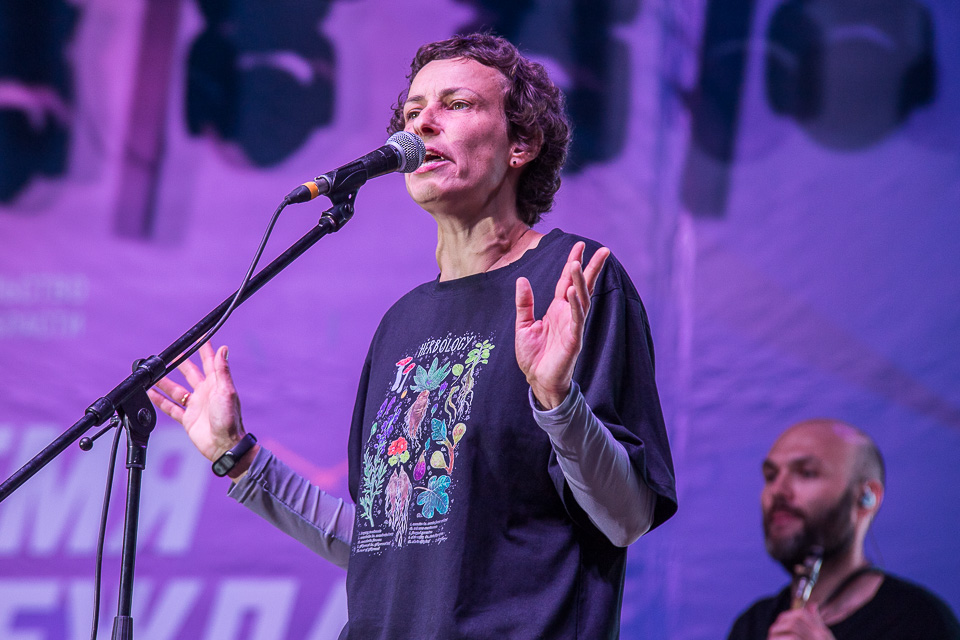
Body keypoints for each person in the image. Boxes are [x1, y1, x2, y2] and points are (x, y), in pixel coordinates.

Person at [148, 33, 677, 639]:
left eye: (457, 104)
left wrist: (558, 401)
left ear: (522, 144)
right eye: (413, 111)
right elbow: (386, 547)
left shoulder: (575, 281)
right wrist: (240, 459)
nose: (423, 123)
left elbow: (626, 518)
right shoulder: (402, 322)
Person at [728, 418, 960, 640]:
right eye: (770, 476)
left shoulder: (920, 621)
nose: (777, 490)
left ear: (866, 497)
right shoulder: (752, 625)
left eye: (807, 473)